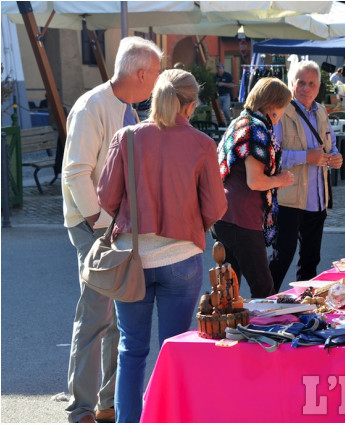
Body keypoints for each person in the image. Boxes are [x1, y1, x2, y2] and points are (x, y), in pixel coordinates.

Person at [97, 69, 227, 422]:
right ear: (190, 104)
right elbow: (216, 208)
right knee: (175, 353)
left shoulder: (127, 138)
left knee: (131, 350)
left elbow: (106, 198)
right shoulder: (202, 144)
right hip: (181, 257)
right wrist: (188, 222)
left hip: (132, 257)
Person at [61, 36, 162, 423]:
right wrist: (100, 225)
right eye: (154, 74)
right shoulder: (93, 106)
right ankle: (82, 408)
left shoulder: (124, 107)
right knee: (95, 318)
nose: (155, 82)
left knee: (119, 319)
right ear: (141, 73)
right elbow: (75, 174)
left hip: (111, 228)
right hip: (95, 227)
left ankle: (107, 404)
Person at [212, 78, 295, 298]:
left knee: (228, 291)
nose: (282, 115)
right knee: (263, 288)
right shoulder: (255, 129)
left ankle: (229, 331)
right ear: (272, 104)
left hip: (224, 214)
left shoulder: (240, 122)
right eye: (282, 108)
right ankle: (265, 332)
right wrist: (282, 179)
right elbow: (255, 181)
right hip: (241, 217)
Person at [268, 60, 343, 292]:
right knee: (282, 258)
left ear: (319, 87)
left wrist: (336, 157)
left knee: (311, 260)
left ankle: (304, 306)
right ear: (291, 84)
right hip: (290, 197)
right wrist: (305, 157)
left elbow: (331, 145)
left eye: (311, 84)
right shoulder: (281, 111)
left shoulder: (321, 111)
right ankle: (262, 302)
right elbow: (273, 155)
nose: (306, 88)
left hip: (317, 199)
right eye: (301, 83)